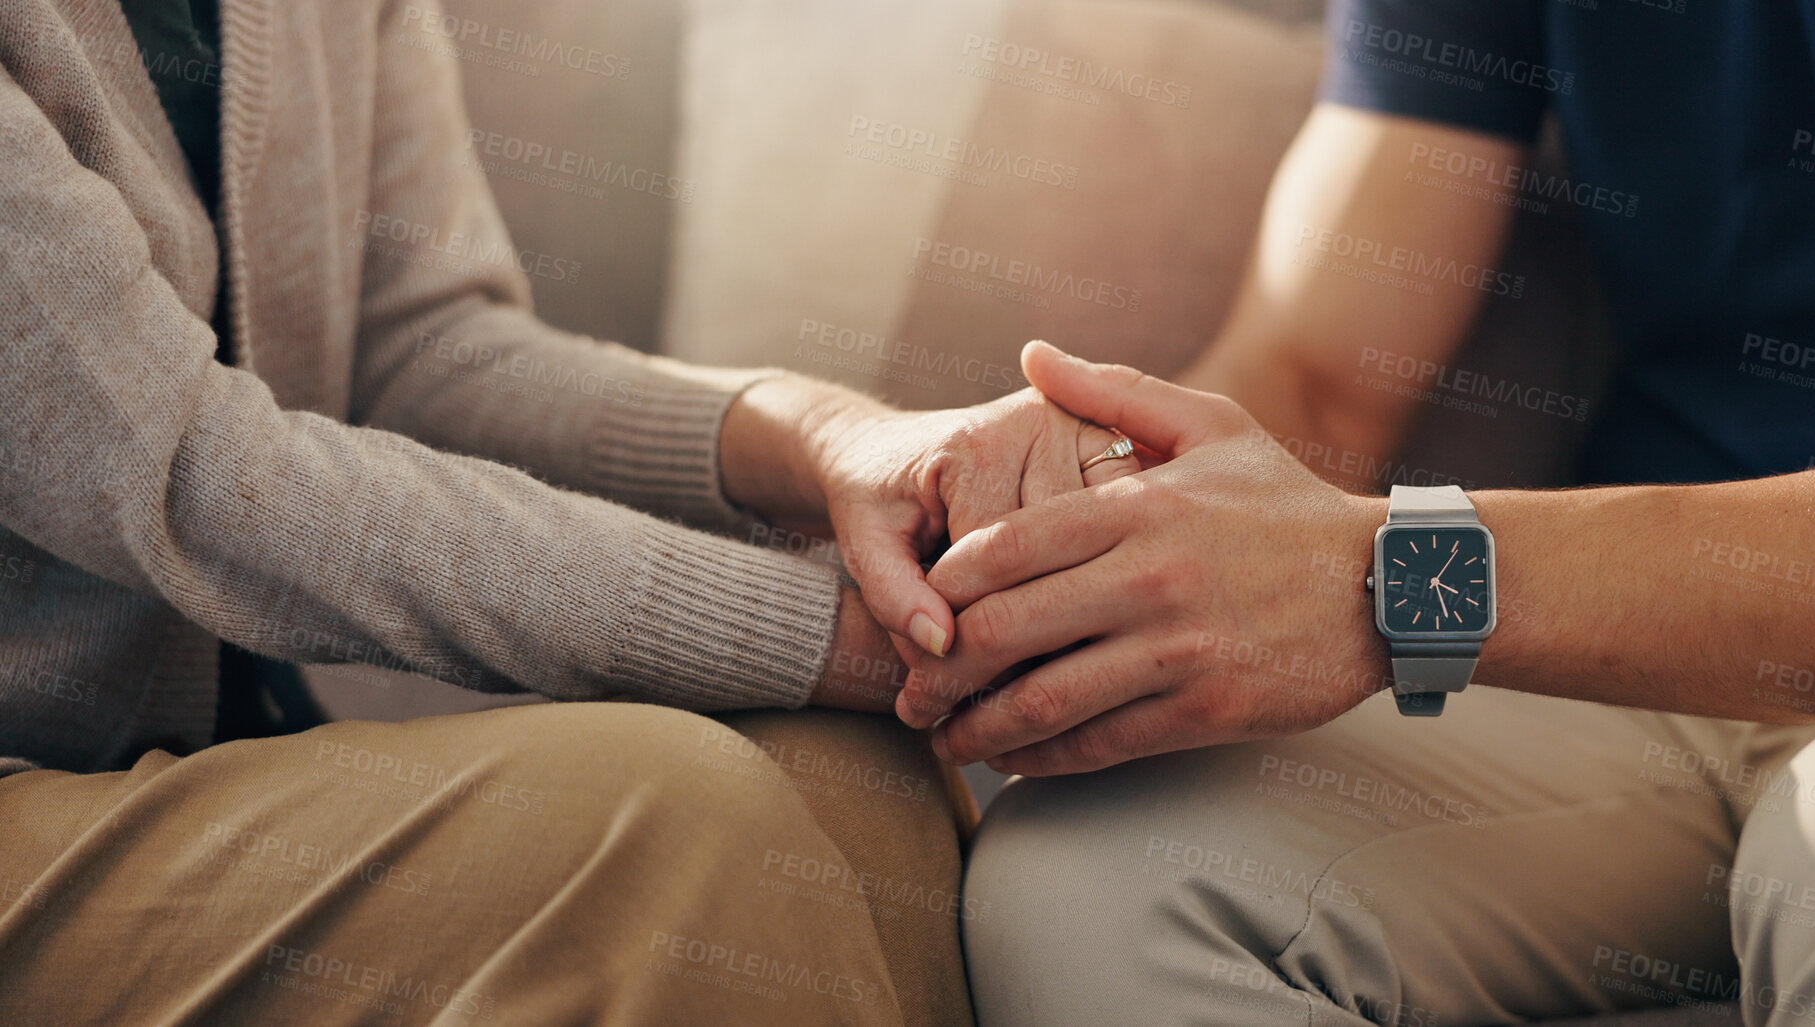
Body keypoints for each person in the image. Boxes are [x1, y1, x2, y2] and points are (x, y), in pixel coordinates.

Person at [0, 0, 1138, 1022]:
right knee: (676, 830)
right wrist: (876, 636)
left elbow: (420, 349)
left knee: (850, 772)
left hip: (198, 745)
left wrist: (823, 438)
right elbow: (185, 472)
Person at [910, 2, 1815, 1024]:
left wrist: (1383, 578)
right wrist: (1054, 537)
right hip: (1633, 669)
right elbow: (1315, 377)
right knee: (1087, 888)